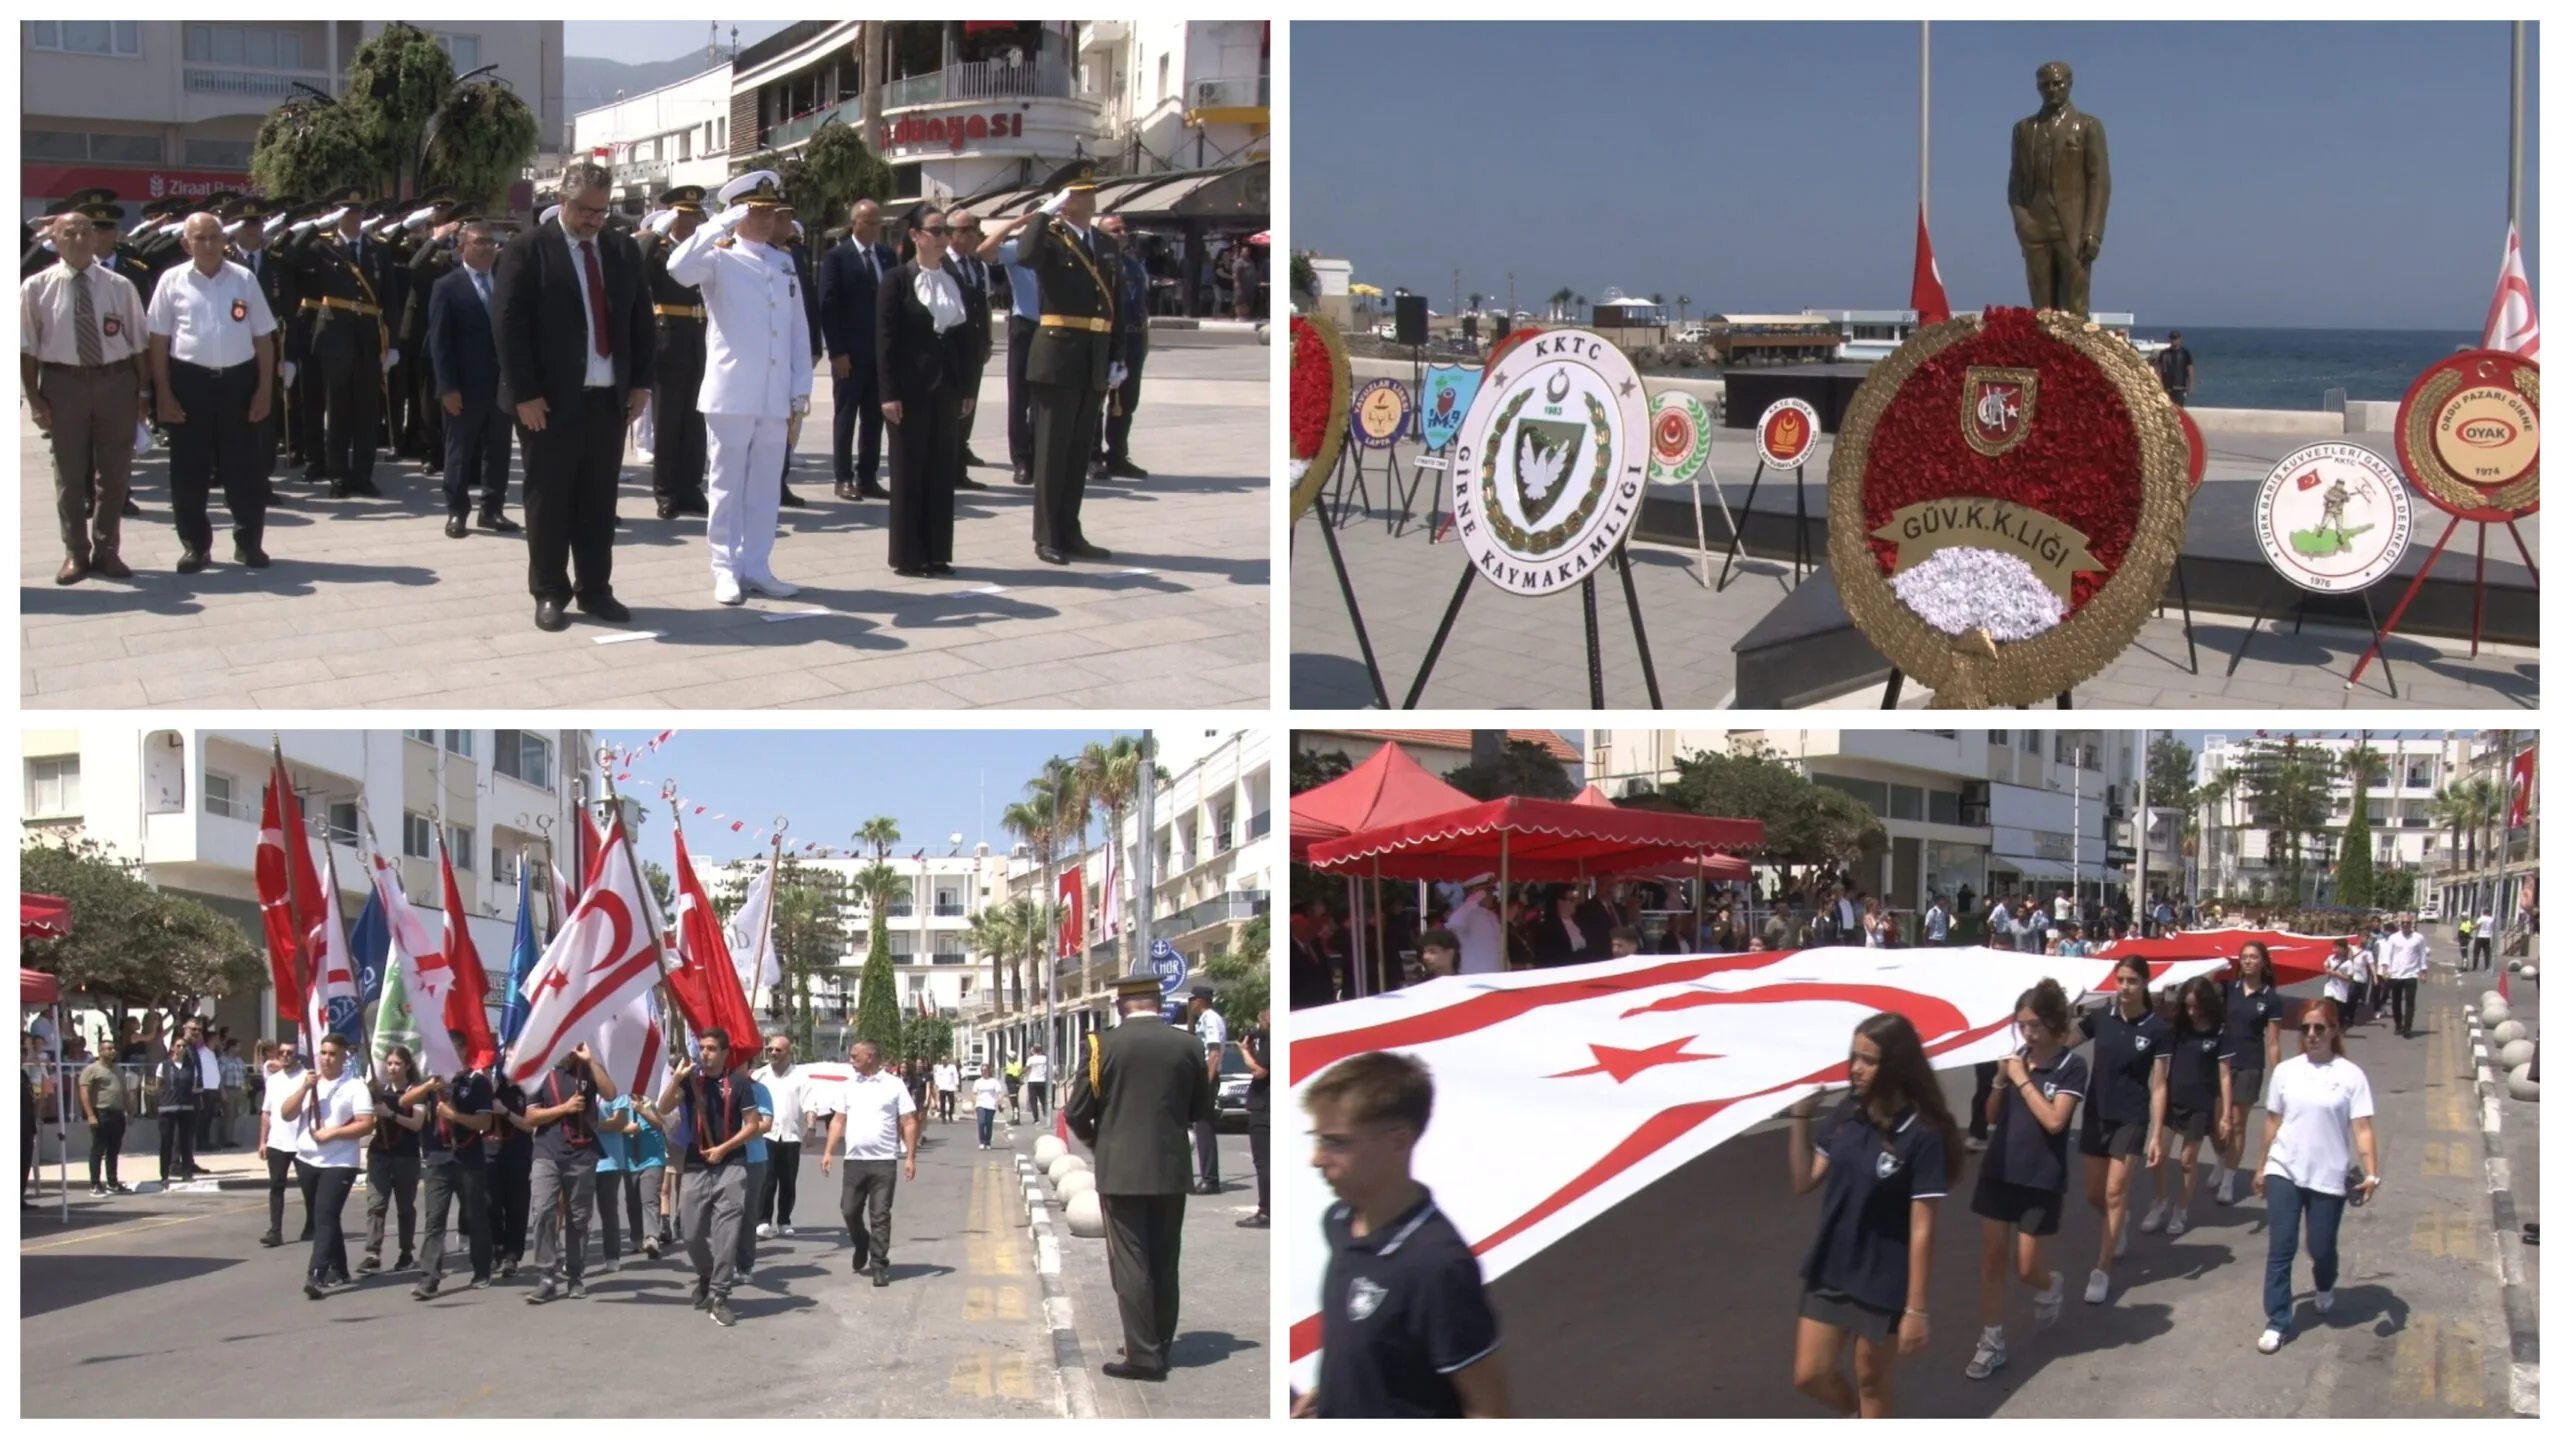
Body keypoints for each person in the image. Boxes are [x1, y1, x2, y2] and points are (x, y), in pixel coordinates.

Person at [1295, 1051, 1509, 1418]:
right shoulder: (1340, 1221)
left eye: (1336, 1142)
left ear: (1398, 1142)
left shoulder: (1437, 1266)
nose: (1316, 1158)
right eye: (1317, 1139)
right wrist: (1329, 1392)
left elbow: (1490, 1410)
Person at [493, 160, 654, 633]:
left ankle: (595, 589)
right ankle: (549, 592)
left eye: (603, 211)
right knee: (549, 500)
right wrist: (524, 393)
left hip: (607, 400)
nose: (595, 220)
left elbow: (640, 321)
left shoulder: (621, 251)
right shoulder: (528, 250)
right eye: (586, 210)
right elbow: (507, 327)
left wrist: (641, 383)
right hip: (548, 403)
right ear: (563, 201)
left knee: (598, 502)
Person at [1786, 1012, 1960, 1418]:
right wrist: (1799, 1119)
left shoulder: (1924, 1134)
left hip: (1883, 1276)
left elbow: (1922, 1228)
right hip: (1831, 1266)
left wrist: (1916, 1310)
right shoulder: (1848, 1111)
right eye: (1854, 1056)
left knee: (1870, 1379)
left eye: (1868, 1059)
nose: (1855, 1068)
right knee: (1809, 1375)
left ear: (1895, 1066)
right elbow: (1803, 1180)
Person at [667, 170, 814, 606]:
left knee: (766, 484)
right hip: (731, 392)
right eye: (757, 210)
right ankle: (725, 568)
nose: (767, 218)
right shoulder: (717, 256)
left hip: (773, 393)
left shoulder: (783, 262)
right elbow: (677, 268)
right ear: (738, 212)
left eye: (771, 210)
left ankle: (757, 565)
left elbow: (797, 330)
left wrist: (800, 386)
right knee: (726, 484)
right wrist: (718, 224)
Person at [977, 160, 1126, 566]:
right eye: (1080, 193)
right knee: (1052, 451)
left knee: (1079, 452)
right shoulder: (1050, 238)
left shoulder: (1105, 243)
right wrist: (1042, 213)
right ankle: (1046, 536)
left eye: (1091, 192)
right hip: (1057, 355)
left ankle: (1070, 530)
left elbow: (1117, 305)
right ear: (1065, 201)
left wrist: (1118, 355)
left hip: (1093, 357)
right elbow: (1024, 255)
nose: (1090, 198)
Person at [1072, 968, 1215, 1382]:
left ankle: (1143, 1354)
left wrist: (1098, 1144)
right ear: (1158, 1002)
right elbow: (1199, 1111)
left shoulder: (1102, 1045)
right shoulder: (1188, 1045)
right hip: (1171, 1169)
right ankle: (1159, 1343)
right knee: (1165, 1259)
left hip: (1120, 1169)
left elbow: (1078, 1111)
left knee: (1131, 1261)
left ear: (1121, 1004)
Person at [1964, 980, 2085, 1381]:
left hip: (2040, 1178)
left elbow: (2055, 1121)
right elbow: (1993, 1116)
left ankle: (2050, 1285)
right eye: (2021, 1025)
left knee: (2027, 1267)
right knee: (1992, 1259)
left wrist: (2021, 1079)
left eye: (2033, 1025)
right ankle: (1991, 1341)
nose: (2027, 1034)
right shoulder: (2017, 1059)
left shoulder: (2071, 1066)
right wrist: (2000, 1080)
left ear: (2053, 1023)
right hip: (1999, 1171)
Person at [21, 206, 149, 584]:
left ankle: (107, 550)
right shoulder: (36, 288)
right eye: (68, 233)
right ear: (54, 241)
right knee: (70, 474)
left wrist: (142, 394)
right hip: (64, 385)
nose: (77, 239)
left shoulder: (119, 286)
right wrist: (36, 399)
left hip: (115, 383)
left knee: (114, 474)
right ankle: (76, 552)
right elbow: (25, 348)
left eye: (84, 232)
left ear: (96, 238)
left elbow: (139, 344)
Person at [145, 210, 277, 572]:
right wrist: (163, 392)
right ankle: (195, 546)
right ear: (186, 243)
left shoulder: (244, 280)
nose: (207, 244)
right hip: (190, 384)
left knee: (245, 469)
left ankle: (249, 543)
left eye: (213, 236)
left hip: (238, 383)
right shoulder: (172, 281)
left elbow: (264, 337)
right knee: (189, 470)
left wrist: (265, 389)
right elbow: (158, 340)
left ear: (225, 239)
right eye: (198, 238)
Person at [2253, 999, 2381, 1353]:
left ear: (2334, 1031)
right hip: (2285, 1169)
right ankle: (2278, 1320)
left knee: (2321, 1247)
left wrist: (2372, 1173)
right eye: (2305, 1028)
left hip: (2329, 1174)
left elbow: (2362, 1127)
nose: (2311, 1035)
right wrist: (2262, 1166)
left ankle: (2325, 1285)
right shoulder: (2286, 1072)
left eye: (2319, 1028)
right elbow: (2271, 1121)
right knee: (2281, 1247)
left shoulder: (2350, 1076)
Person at [877, 203, 989, 577]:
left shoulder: (955, 279)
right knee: (910, 470)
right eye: (937, 231)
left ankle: (938, 551)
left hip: (948, 387)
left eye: (947, 232)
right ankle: (909, 555)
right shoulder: (897, 279)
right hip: (909, 388)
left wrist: (969, 387)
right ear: (916, 236)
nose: (944, 238)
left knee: (942, 470)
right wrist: (888, 393)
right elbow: (886, 340)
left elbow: (966, 340)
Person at [277, 191, 389, 498]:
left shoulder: (377, 249)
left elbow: (389, 294)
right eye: (347, 212)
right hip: (334, 336)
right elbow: (287, 257)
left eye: (358, 212)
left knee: (366, 410)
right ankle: (338, 474)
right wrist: (315, 226)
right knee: (337, 409)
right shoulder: (320, 246)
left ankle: (363, 475)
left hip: (367, 336)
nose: (354, 217)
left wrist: (389, 342)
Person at [2078, 955, 2170, 1304]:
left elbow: (2160, 1086)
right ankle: (2118, 1223)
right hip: (2095, 1115)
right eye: (2120, 980)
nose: (2125, 988)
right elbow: (2064, 1040)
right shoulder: (2101, 1018)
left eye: (2132, 981)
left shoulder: (2157, 1030)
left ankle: (2101, 1270)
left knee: (2115, 1192)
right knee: (2093, 1194)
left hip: (2131, 1119)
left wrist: (2158, 1134)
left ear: (2145, 983)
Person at [657, 1030, 763, 1325]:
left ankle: (719, 1294)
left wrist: (724, 1148)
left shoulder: (740, 1083)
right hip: (696, 1164)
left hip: (731, 1165)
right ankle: (705, 1274)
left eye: (712, 1048)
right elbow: (662, 1108)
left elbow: (752, 1125)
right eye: (702, 1048)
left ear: (725, 1053)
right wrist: (677, 1080)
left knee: (726, 1234)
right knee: (690, 1233)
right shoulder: (692, 1082)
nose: (705, 1053)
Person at [427, 219, 517, 537]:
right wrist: (447, 387)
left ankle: (492, 510)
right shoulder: (447, 287)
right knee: (459, 450)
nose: (488, 248)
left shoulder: (504, 282)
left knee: (499, 449)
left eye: (491, 242)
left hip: (501, 384)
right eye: (480, 242)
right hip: (464, 385)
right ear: (463, 246)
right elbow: (440, 343)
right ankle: (456, 512)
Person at [821, 1038, 918, 1287]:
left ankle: (878, 1264)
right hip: (855, 1161)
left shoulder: (894, 1085)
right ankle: (861, 1241)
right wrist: (829, 1151)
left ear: (870, 1057)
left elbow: (908, 1121)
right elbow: (838, 1121)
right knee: (849, 1210)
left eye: (855, 1056)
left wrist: (910, 1157)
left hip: (884, 1161)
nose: (850, 1061)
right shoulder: (849, 1086)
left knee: (880, 1214)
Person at [284, 1033, 373, 1301]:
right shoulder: (310, 1083)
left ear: (344, 1057)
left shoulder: (355, 1086)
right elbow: (286, 1114)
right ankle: (340, 1268)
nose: (326, 1058)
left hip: (339, 1161)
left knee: (324, 1214)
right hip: (307, 1159)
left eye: (333, 1053)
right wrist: (303, 1089)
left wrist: (333, 1133)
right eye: (323, 1053)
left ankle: (317, 1273)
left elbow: (366, 1123)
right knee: (324, 1215)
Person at [525, 1043, 615, 1303]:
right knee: (542, 1211)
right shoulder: (541, 1071)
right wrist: (563, 1109)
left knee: (578, 1218)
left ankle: (575, 1275)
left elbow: (610, 1094)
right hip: (547, 1153)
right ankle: (546, 1275)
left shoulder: (588, 1070)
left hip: (582, 1155)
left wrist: (591, 1062)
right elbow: (531, 1117)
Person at [2141, 978, 2230, 1239]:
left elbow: (2224, 1075)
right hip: (2171, 1102)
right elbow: (2161, 1068)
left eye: (2197, 1008)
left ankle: (2181, 1209)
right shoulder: (2175, 1030)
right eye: (2188, 1007)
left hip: (2200, 1105)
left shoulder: (2219, 1033)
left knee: (2188, 1162)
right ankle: (2159, 1201)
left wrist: (2224, 1113)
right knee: (2158, 1155)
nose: (2192, 1013)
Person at [408, 1033, 494, 1298]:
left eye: (452, 1049)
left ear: (464, 1050)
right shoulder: (432, 1082)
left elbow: (484, 1124)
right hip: (437, 1159)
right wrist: (426, 1089)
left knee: (474, 1216)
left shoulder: (476, 1082)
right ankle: (429, 1278)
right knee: (434, 1219)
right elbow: (404, 1102)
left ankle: (482, 1269)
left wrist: (454, 1115)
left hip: (468, 1158)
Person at [821, 197, 894, 501]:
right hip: (849, 355)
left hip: (880, 354)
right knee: (846, 416)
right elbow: (828, 306)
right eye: (870, 222)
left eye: (879, 223)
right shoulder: (838, 257)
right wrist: (837, 351)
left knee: (874, 419)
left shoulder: (887, 256)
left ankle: (868, 476)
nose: (876, 229)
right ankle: (843, 477)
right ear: (856, 223)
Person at [2211, 941, 2288, 1206]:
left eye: (2253, 957)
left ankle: (2229, 1180)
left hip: (2250, 1064)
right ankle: (2222, 1157)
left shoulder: (2270, 998)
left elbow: (2274, 1041)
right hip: (2221, 1062)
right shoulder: (2227, 989)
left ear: (2263, 963)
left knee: (2236, 1123)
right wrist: (2216, 965)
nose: (2248, 961)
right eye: (2243, 957)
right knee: (2216, 1122)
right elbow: (2202, 989)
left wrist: (2280, 1076)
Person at [1094, 212, 1152, 480]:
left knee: (1126, 401)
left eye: (1124, 229)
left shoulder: (1133, 262)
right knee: (1097, 398)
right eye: (1115, 230)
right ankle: (1092, 455)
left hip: (1135, 337)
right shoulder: (1096, 263)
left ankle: (1117, 454)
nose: (1122, 233)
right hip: (1109, 337)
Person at [358, 1045, 426, 1274]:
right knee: (376, 1204)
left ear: (407, 1065)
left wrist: (391, 1115)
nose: (393, 1068)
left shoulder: (416, 1091)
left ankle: (406, 1252)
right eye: (389, 1063)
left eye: (397, 1063)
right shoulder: (379, 1090)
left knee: (405, 1207)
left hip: (406, 1155)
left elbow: (417, 1124)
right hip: (380, 1153)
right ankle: (372, 1253)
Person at [942, 207, 998, 480]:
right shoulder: (942, 263)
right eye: (969, 231)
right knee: (952, 402)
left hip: (974, 345)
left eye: (975, 230)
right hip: (952, 346)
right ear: (954, 234)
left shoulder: (978, 265)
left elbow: (985, 304)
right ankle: (950, 462)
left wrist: (988, 339)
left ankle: (960, 453)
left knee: (969, 400)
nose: (975, 236)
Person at [752, 1035, 808, 1239]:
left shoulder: (800, 1076)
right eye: (771, 1049)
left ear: (788, 1053)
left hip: (791, 1135)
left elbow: (809, 1103)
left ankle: (784, 1220)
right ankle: (763, 1220)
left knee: (788, 1181)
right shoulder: (759, 1076)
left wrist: (811, 1127)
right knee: (767, 1179)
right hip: (766, 1134)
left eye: (778, 1050)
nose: (773, 1053)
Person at [257, 1040, 310, 1247]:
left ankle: (312, 1224)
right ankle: (275, 1231)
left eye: (290, 1052)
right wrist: (263, 1141)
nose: (285, 1056)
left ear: (297, 1055)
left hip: (301, 1140)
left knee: (308, 1186)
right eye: (282, 1052)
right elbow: (266, 1112)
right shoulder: (273, 1080)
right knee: (276, 1186)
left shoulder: (307, 1077)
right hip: (277, 1141)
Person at [487, 1071, 534, 1278]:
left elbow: (529, 1125)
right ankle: (496, 1244)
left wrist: (504, 1111)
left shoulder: (530, 1086)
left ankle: (512, 1256)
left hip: (518, 1151)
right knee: (491, 1203)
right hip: (491, 1151)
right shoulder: (491, 1086)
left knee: (517, 1206)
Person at [1186, 990, 1228, 1195]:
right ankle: (1207, 1176)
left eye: (1192, 999)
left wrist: (1206, 1082)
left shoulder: (1211, 1019)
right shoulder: (1203, 1019)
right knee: (1200, 1127)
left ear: (1201, 1000)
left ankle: (1210, 1180)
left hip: (1207, 1077)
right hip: (1201, 1076)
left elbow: (1214, 1053)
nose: (1190, 1003)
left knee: (1204, 1129)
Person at [77, 1043, 129, 1195]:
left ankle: (112, 1182)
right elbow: (84, 1091)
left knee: (114, 1149)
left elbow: (123, 1091)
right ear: (100, 1051)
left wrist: (129, 1109)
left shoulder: (118, 1069)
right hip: (101, 1112)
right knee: (98, 1149)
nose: (113, 1051)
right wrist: (90, 1114)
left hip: (117, 1113)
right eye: (109, 1048)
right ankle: (95, 1183)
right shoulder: (92, 1069)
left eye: (114, 1048)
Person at [154, 1023, 202, 1184]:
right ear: (173, 1048)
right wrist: (162, 1100)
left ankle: (187, 1172)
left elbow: (193, 1084)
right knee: (166, 1141)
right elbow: (158, 1085)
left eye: (183, 1046)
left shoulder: (190, 1067)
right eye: (178, 1046)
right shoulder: (164, 1065)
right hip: (168, 1107)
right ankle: (164, 1174)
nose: (181, 1048)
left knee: (186, 1141)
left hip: (186, 1107)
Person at [1239, 1010, 1271, 1229]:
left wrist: (1244, 1050)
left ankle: (1266, 1211)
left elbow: (1259, 1070)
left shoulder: (1272, 1041)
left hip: (1265, 1107)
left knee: (1264, 1163)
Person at [2379, 912, 2429, 1037]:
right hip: (2396, 974)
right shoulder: (2394, 938)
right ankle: (2398, 1024)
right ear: (2399, 924)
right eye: (2403, 923)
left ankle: (2408, 1027)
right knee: (2396, 1002)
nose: (2405, 925)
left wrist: (2423, 972)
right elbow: (2387, 955)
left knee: (2410, 1002)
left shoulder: (2418, 938)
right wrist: (2385, 969)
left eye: (2408, 923)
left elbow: (2422, 954)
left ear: (2412, 924)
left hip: (2411, 974)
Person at [1447, 876, 1507, 976]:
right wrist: (1472, 900)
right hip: (1475, 975)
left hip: (1497, 974)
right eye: (1489, 891)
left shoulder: (1491, 916)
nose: (1492, 895)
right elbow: (1452, 925)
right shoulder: (1465, 914)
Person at [972, 1065, 1004, 1149]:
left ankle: (988, 1142)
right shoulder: (978, 1082)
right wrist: (974, 1104)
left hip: (991, 1105)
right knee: (981, 1123)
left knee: (988, 1124)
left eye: (985, 1070)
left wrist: (999, 1102)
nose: (984, 1072)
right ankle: (982, 1142)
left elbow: (999, 1093)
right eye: (982, 1070)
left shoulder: (994, 1082)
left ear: (989, 1071)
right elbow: (974, 1093)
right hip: (980, 1104)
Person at [1024, 1047, 1051, 1124]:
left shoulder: (1031, 1059)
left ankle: (1036, 1119)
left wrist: (1021, 1073)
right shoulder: (1045, 1058)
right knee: (1043, 1099)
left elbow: (1027, 1068)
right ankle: (1047, 1115)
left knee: (1033, 1101)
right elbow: (1048, 1068)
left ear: (1033, 1051)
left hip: (1032, 1081)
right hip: (1042, 1080)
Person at [932, 1055, 960, 1125]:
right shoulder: (939, 1068)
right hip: (942, 1087)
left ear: (947, 1060)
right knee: (942, 1103)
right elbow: (937, 1076)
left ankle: (950, 1114)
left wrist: (956, 1084)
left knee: (952, 1102)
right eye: (942, 1060)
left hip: (950, 1087)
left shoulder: (952, 1067)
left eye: (945, 1060)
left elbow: (955, 1075)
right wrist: (937, 1084)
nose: (944, 1061)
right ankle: (943, 1117)